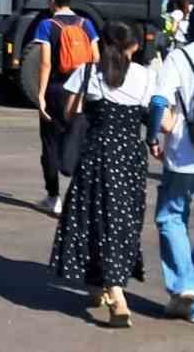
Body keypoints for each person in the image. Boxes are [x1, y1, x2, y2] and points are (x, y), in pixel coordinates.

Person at [50, 21, 153, 327]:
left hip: (96, 153)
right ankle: (108, 285)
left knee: (91, 217)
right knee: (121, 219)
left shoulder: (87, 72)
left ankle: (110, 290)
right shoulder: (144, 75)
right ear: (132, 46)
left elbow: (69, 111)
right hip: (131, 158)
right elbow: (155, 114)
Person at [149, 2, 194, 325]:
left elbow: (159, 100)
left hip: (182, 153)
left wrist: (152, 136)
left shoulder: (180, 56)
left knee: (170, 216)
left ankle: (185, 281)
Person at [34, 0, 101, 216]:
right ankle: (79, 196)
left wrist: (40, 94)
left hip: (56, 89)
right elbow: (95, 58)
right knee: (79, 142)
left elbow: (45, 63)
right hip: (81, 91)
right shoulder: (86, 24)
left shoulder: (46, 25)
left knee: (50, 144)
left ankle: (54, 197)